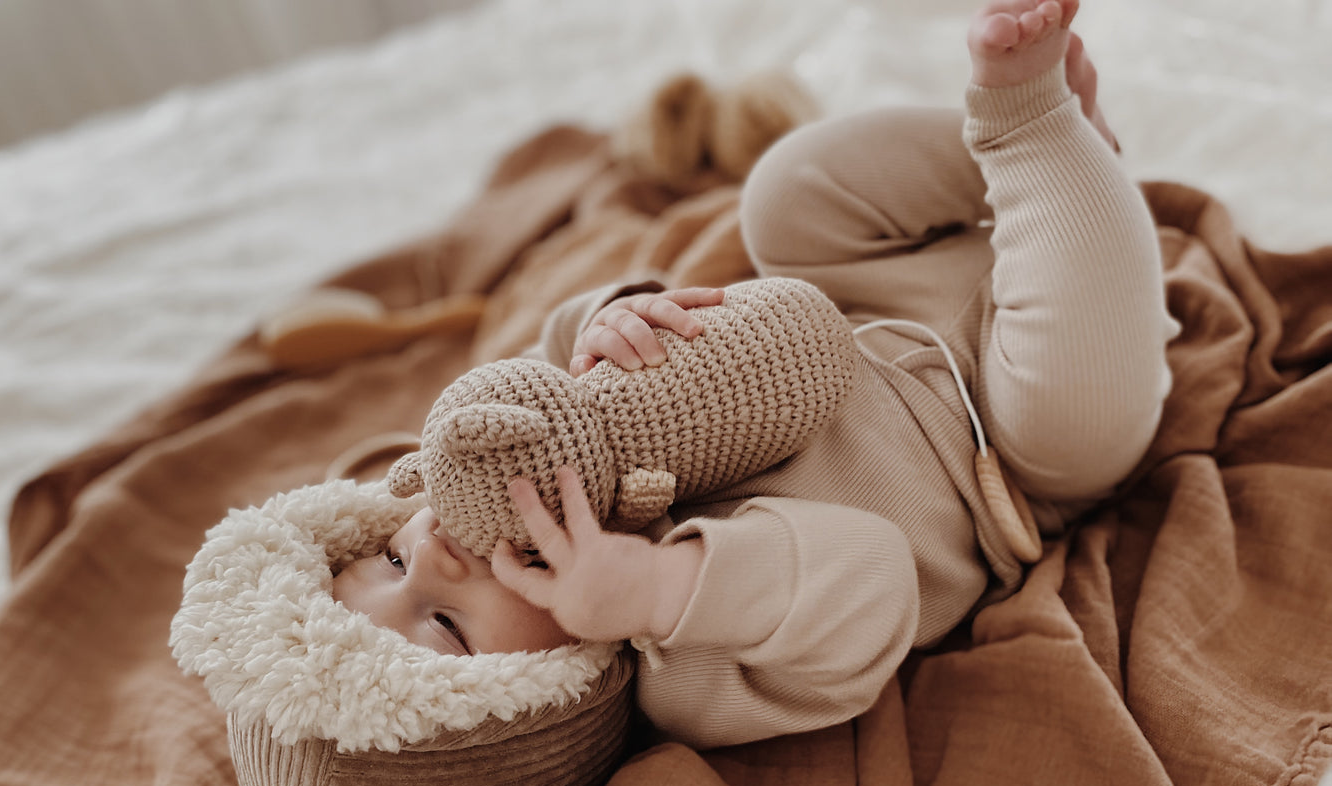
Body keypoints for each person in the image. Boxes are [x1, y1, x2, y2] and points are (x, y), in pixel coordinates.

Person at [332, 0, 1176, 748]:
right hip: (1006, 443)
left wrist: (611, 321)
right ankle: (1032, 132)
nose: (434, 554)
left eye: (394, 562)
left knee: (783, 198)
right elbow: (871, 576)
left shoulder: (512, 461)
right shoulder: (687, 679)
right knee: (1077, 419)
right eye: (446, 624)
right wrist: (660, 590)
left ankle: (1046, 170)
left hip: (869, 291)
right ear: (542, 698)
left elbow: (546, 365)